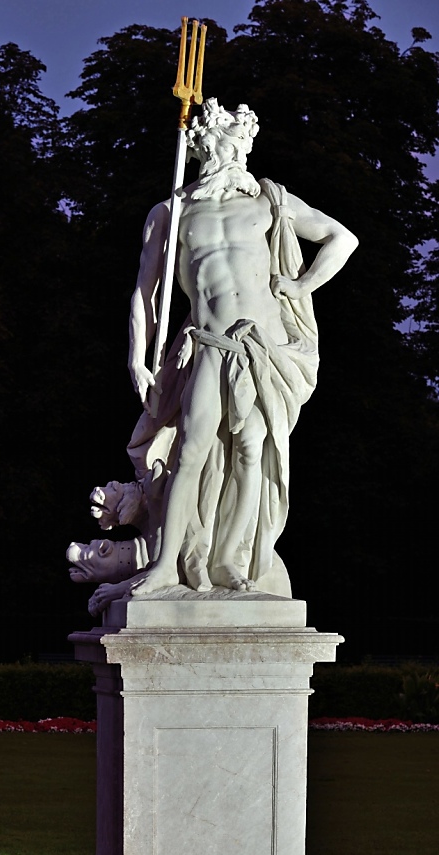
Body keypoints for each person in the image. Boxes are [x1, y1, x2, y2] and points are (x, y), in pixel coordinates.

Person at [126, 98, 358, 595]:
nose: (229, 156)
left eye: (234, 147)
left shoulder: (269, 201)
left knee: (253, 450)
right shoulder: (173, 211)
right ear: (202, 148)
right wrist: (138, 360)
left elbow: (341, 238)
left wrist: (302, 286)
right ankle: (167, 565)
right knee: (191, 451)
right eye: (218, 147)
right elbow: (146, 293)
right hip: (209, 343)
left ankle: (229, 559)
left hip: (261, 346)